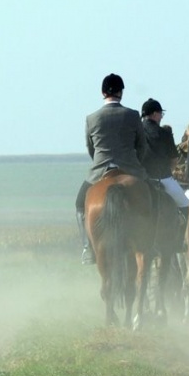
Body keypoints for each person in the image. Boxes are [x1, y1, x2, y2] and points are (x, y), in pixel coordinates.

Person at [76, 73, 148, 264]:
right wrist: (135, 164)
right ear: (121, 92)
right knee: (154, 196)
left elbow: (91, 148)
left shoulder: (92, 118)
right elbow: (142, 146)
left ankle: (88, 248)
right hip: (131, 168)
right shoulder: (132, 115)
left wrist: (100, 164)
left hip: (99, 170)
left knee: (79, 204)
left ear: (102, 92)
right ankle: (151, 242)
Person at [140, 98, 189, 217]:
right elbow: (174, 159)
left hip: (140, 179)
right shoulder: (165, 133)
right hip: (162, 178)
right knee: (185, 205)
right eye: (160, 114)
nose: (161, 117)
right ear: (154, 114)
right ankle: (181, 232)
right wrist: (170, 171)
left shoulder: (135, 131)